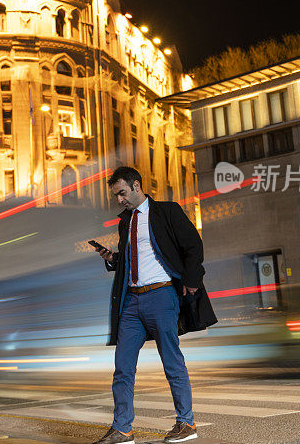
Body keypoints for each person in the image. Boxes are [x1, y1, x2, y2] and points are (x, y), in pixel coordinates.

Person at [93, 166, 209, 444]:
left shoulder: (167, 211)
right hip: (131, 300)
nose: (119, 200)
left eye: (121, 193)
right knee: (122, 366)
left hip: (161, 295)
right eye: (115, 195)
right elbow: (132, 259)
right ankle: (122, 429)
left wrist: (191, 281)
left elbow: (193, 245)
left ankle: (186, 423)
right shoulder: (126, 222)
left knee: (171, 360)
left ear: (136, 186)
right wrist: (112, 258)